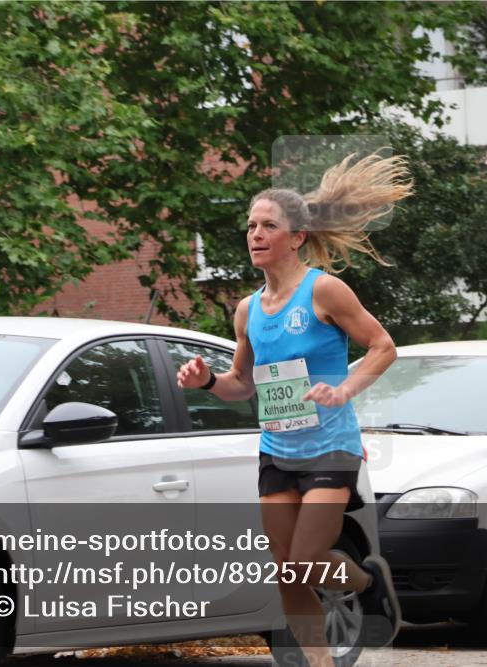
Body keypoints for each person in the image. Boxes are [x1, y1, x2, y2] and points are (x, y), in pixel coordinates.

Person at [177, 152, 409, 667]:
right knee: (286, 571)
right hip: (277, 449)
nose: (256, 235)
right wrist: (209, 381)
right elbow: (242, 383)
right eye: (251, 226)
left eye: (268, 226)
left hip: (330, 446)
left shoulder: (323, 290)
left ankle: (367, 583)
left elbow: (382, 346)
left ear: (297, 237)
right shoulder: (248, 309)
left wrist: (343, 390)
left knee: (305, 563)